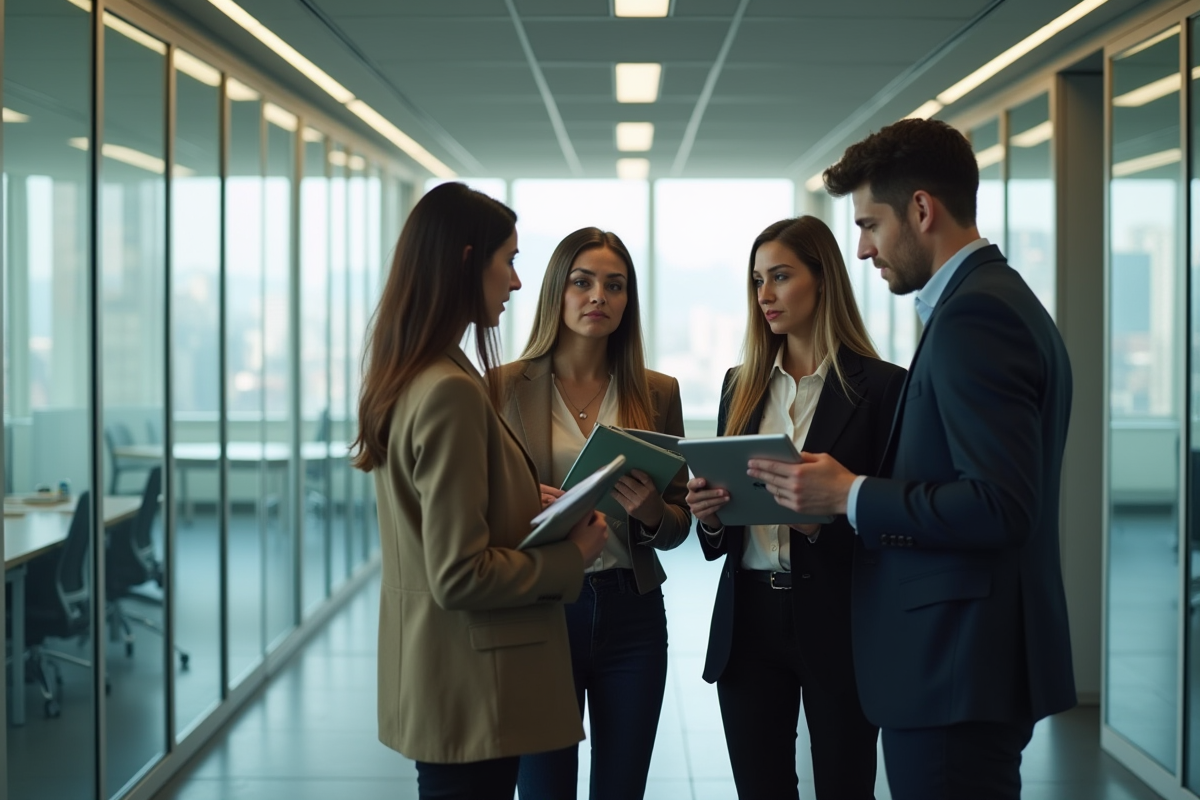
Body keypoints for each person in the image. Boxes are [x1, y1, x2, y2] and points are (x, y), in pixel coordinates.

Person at [748, 118, 1076, 800]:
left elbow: (1000, 504)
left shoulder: (975, 317)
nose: (863, 250)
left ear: (921, 210)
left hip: (953, 668)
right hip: (963, 666)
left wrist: (850, 495)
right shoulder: (990, 301)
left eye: (870, 225)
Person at [350, 183, 608, 800]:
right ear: (468, 261)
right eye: (510, 261)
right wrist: (573, 556)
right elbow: (459, 573)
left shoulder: (412, 374)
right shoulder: (450, 389)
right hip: (471, 685)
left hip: (438, 678)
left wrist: (523, 503)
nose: (517, 283)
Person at [685, 215, 905, 800]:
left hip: (839, 620)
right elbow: (723, 534)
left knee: (844, 786)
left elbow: (898, 525)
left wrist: (819, 527)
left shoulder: (884, 388)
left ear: (823, 279)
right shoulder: (742, 383)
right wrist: (708, 516)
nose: (765, 295)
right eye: (757, 280)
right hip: (749, 622)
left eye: (780, 277)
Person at [496, 227, 691, 800]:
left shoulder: (657, 391)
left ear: (628, 301)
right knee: (541, 790)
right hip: (540, 611)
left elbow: (677, 524)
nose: (597, 296)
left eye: (615, 285)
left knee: (622, 788)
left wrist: (654, 511)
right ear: (557, 291)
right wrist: (519, 499)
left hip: (631, 611)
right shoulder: (502, 387)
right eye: (582, 282)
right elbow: (477, 509)